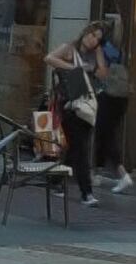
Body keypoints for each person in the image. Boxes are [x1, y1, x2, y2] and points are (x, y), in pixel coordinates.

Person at [45, 21, 108, 207]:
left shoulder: (96, 54)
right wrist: (74, 67)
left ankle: (56, 181)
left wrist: (98, 58)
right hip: (71, 106)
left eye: (98, 38)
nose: (93, 40)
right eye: (92, 35)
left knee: (74, 148)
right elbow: (49, 58)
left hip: (88, 106)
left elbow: (103, 75)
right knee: (81, 150)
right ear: (85, 33)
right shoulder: (70, 49)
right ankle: (86, 192)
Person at [94, 20, 135, 195]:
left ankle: (122, 174)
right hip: (121, 97)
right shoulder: (121, 49)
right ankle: (98, 171)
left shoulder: (102, 49)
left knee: (106, 134)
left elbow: (102, 72)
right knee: (105, 133)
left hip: (107, 95)